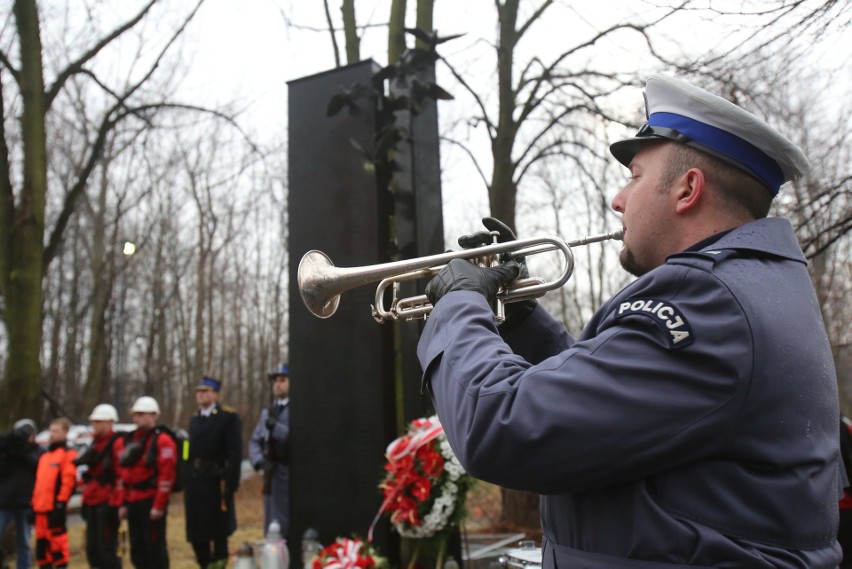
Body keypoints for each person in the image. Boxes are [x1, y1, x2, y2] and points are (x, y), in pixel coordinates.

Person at [417, 73, 841, 568]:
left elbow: (501, 429)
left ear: (688, 189)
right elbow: (613, 408)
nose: (618, 199)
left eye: (635, 176)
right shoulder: (754, 287)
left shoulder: (707, 300)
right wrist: (520, 320)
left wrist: (457, 306)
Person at [184, 376, 242, 569]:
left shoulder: (227, 417)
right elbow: (188, 450)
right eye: (199, 392)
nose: (201, 395)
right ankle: (204, 563)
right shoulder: (194, 419)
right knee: (197, 533)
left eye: (206, 391)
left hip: (216, 482)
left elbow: (234, 453)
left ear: (216, 395)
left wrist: (231, 485)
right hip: (195, 481)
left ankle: (218, 564)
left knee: (218, 532)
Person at [118, 396, 176, 569]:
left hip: (151, 501)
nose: (137, 418)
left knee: (155, 548)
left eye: (142, 414)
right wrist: (123, 503)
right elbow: (125, 475)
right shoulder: (131, 440)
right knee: (137, 549)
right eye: (135, 414)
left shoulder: (163, 440)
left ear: (153, 416)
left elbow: (167, 475)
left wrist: (159, 505)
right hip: (133, 501)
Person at [76, 404, 124, 569]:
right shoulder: (94, 444)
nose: (94, 425)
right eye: (93, 422)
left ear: (109, 422)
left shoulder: (117, 444)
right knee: (92, 549)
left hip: (107, 501)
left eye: (98, 422)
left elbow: (122, 475)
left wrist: (116, 503)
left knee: (106, 548)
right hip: (92, 500)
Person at [249, 363, 290, 537]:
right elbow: (254, 440)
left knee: (288, 524)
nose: (278, 384)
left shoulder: (297, 409)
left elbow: (298, 438)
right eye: (275, 381)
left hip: (289, 473)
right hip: (271, 474)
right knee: (272, 526)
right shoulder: (268, 411)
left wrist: (277, 428)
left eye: (283, 380)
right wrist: (258, 461)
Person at [32, 417, 77, 569]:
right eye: (51, 431)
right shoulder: (44, 457)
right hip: (40, 509)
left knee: (57, 546)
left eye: (56, 431)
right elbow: (39, 484)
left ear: (65, 433)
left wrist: (61, 503)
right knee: (42, 548)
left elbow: (68, 481)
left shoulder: (67, 454)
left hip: (54, 509)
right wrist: (33, 504)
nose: (52, 434)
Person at [0, 419, 41, 569]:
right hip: (4, 502)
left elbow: (37, 465)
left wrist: (23, 451)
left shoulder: (36, 451)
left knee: (24, 542)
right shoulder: (8, 450)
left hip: (25, 503)